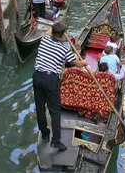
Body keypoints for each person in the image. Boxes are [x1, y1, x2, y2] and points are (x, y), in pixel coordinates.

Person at [33, 22, 88, 151]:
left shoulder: (44, 40)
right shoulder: (63, 49)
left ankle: (45, 134)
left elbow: (48, 31)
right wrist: (84, 62)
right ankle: (56, 141)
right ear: (63, 35)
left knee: (40, 107)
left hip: (37, 77)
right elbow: (76, 64)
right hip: (50, 79)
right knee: (55, 110)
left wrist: (55, 29)